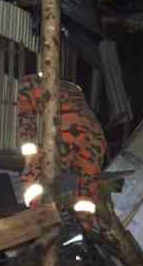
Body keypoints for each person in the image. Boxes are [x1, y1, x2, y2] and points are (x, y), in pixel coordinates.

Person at [17, 72, 107, 230]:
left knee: (34, 174)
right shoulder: (71, 86)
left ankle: (38, 216)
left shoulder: (27, 86)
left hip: (67, 134)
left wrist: (30, 159)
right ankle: (85, 229)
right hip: (96, 139)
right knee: (87, 186)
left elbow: (26, 125)